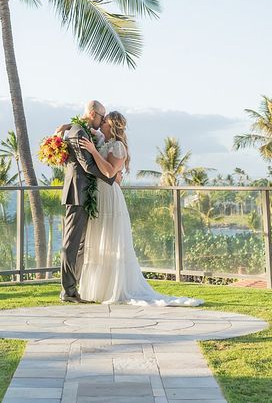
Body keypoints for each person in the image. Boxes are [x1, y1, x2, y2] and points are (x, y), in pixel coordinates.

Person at [77, 111, 203, 306]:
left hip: (109, 196)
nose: (101, 123)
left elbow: (110, 172)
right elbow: (84, 127)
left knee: (110, 239)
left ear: (111, 125)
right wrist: (67, 128)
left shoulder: (118, 146)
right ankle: (98, 289)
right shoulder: (103, 142)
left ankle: (115, 288)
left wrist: (93, 151)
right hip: (98, 196)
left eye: (104, 121)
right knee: (99, 239)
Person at [57, 99, 116, 303]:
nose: (102, 121)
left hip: (83, 193)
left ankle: (73, 289)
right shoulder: (79, 132)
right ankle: (68, 291)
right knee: (71, 243)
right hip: (77, 192)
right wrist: (112, 177)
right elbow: (87, 165)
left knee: (78, 243)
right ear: (92, 113)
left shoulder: (79, 130)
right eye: (101, 116)